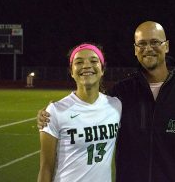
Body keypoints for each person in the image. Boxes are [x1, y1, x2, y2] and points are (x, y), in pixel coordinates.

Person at [37, 21, 175, 182]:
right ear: (135, 49)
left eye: (155, 42)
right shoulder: (122, 94)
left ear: (166, 46)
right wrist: (51, 112)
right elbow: (90, 103)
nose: (148, 48)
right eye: (142, 43)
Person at [37, 43, 122, 182]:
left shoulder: (115, 105)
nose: (87, 65)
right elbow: (46, 168)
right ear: (71, 71)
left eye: (94, 61)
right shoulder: (55, 111)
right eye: (79, 62)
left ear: (102, 69)